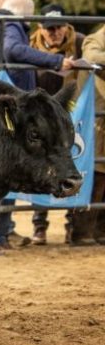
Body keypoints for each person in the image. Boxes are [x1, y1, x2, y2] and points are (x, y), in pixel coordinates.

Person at [0, 0, 74, 251]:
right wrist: (57, 60)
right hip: (5, 109)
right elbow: (12, 50)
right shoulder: (11, 25)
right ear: (24, 15)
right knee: (8, 168)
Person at [28, 4, 85, 245]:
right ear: (40, 28)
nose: (55, 32)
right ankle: (39, 225)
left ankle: (73, 224)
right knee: (41, 166)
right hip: (42, 116)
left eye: (59, 27)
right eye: (49, 28)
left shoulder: (79, 42)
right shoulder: (32, 47)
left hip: (72, 111)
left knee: (73, 163)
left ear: (67, 26)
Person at [75, 25, 105, 245]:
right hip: (98, 116)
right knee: (97, 171)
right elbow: (92, 56)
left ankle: (100, 229)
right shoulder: (96, 39)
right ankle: (82, 230)